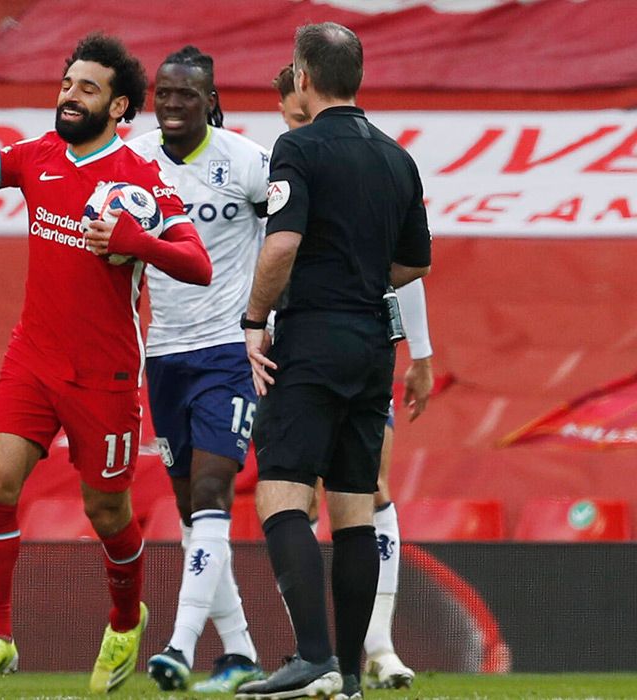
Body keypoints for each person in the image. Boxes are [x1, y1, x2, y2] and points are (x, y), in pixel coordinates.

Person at [0, 30, 212, 693]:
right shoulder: (37, 156)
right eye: (67, 84)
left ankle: (127, 620)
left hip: (105, 376)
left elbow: (197, 263)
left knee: (106, 511)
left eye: (88, 89)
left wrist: (136, 241)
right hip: (33, 359)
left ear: (120, 107)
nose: (71, 97)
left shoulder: (142, 178)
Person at [234, 23, 431, 700]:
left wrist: (254, 322)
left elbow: (282, 246)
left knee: (281, 490)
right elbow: (413, 264)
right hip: (374, 344)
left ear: (304, 76)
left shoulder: (300, 146)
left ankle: (312, 655)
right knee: (352, 507)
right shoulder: (397, 157)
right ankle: (347, 675)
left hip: (313, 334)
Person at [125, 46, 268, 694]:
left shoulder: (244, 160)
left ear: (211, 100)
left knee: (211, 495)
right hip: (164, 355)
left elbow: (288, 234)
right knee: (192, 514)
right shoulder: (136, 161)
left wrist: (268, 323)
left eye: (188, 94)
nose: (174, 104)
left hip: (227, 354)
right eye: (165, 93)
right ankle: (239, 654)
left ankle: (179, 647)